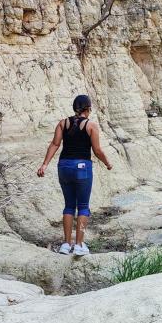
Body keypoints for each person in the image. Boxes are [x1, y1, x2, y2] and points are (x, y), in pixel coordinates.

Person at [37, 95, 112, 255]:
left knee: (69, 206)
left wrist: (44, 164)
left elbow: (55, 144)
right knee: (83, 207)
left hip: (63, 166)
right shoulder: (90, 125)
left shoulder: (62, 123)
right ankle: (79, 245)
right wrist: (107, 163)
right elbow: (97, 150)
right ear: (88, 109)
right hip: (82, 167)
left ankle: (66, 245)